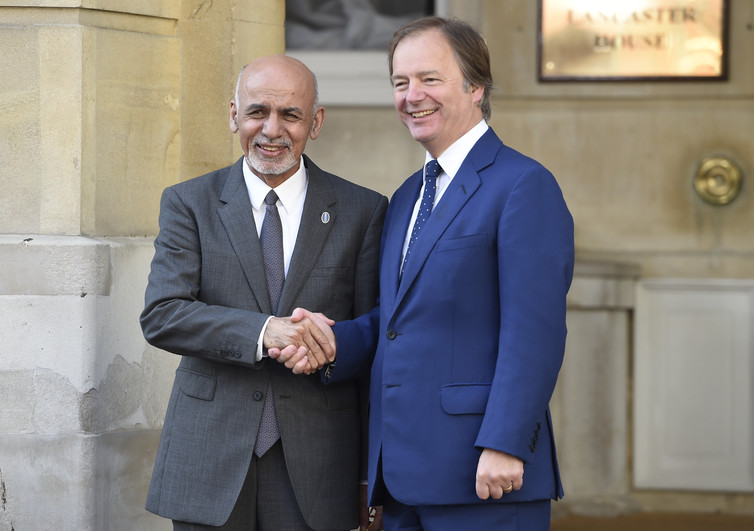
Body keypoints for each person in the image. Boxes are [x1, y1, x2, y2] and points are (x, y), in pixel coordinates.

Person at [273, 16, 574, 530]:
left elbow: (535, 332)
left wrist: (504, 442)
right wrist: (328, 341)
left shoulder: (524, 186)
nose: (412, 95)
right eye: (400, 82)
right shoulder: (410, 194)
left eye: (429, 79)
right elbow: (396, 320)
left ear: (475, 86)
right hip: (403, 475)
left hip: (483, 475)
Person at [140, 54, 388, 530]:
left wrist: (366, 477)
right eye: (257, 112)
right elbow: (163, 314)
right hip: (209, 460)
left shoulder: (363, 211)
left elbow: (373, 340)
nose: (272, 130)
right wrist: (265, 332)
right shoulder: (188, 202)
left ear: (315, 123)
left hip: (319, 465)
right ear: (235, 115)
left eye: (290, 115)